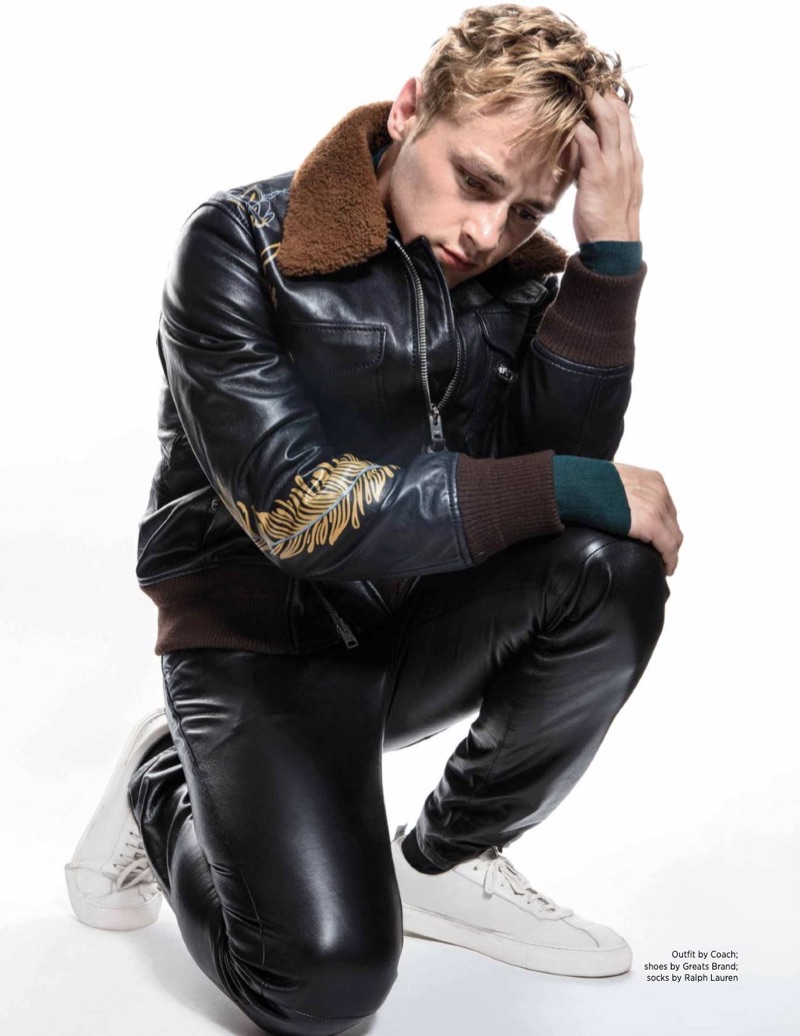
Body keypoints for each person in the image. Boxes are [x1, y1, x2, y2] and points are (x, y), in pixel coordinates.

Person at [64, 4, 682, 1034]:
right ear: (408, 110)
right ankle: (164, 781)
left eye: (526, 212)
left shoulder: (514, 274)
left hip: (414, 623)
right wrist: (567, 486)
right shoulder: (240, 243)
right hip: (260, 645)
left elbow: (554, 474)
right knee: (323, 987)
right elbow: (297, 509)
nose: (487, 232)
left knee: (609, 568)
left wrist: (607, 256)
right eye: (475, 180)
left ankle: (441, 862)